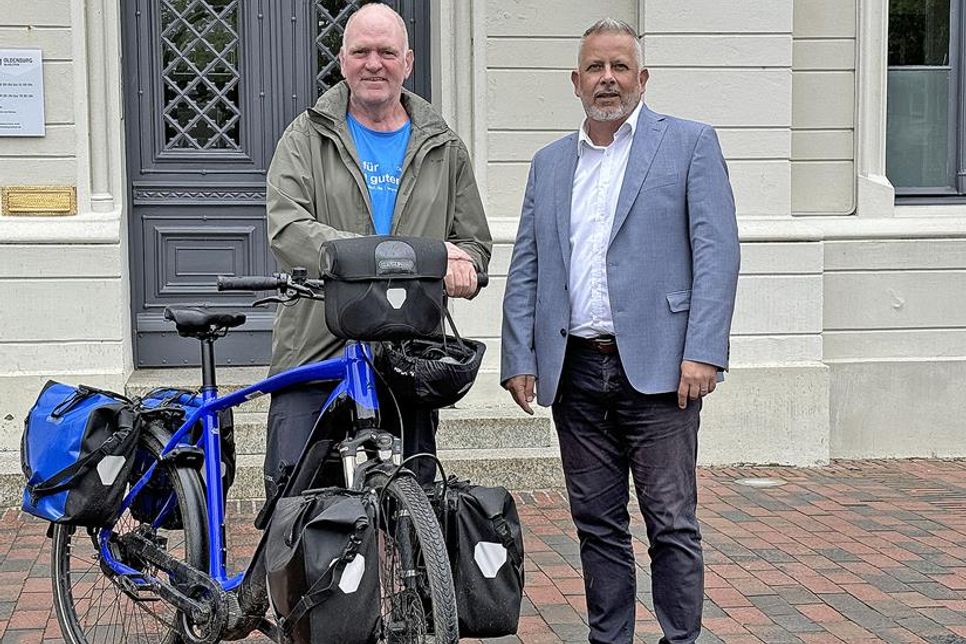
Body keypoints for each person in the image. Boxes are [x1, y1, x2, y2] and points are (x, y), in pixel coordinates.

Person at [501, 18, 740, 644]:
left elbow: (717, 252)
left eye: (620, 67)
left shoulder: (689, 144)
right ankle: (610, 639)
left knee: (671, 522)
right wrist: (519, 354)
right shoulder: (550, 164)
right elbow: (528, 263)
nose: (608, 79)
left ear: (642, 77)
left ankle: (679, 638)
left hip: (663, 370)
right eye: (596, 69)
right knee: (596, 523)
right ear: (576, 82)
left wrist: (704, 350)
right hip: (575, 368)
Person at [265, 3, 491, 496]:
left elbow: (474, 244)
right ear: (342, 61)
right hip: (316, 352)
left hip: (407, 359)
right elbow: (287, 230)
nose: (374, 63)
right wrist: (388, 255)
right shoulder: (305, 138)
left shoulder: (443, 146)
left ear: (407, 62)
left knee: (411, 516)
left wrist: (465, 266)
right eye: (361, 51)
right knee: (299, 512)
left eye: (387, 52)